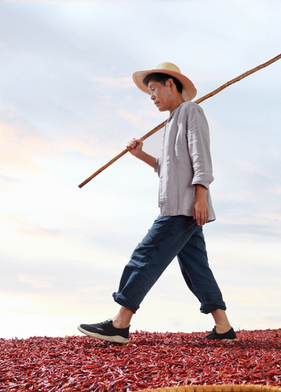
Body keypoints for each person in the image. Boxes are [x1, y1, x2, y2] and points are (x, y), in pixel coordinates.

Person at [78, 62, 236, 344]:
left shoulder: (191, 111)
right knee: (196, 266)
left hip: (183, 207)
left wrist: (201, 196)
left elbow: (201, 158)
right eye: (148, 92)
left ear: (171, 85)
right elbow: (170, 167)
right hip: (179, 206)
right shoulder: (171, 120)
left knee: (146, 255)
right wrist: (141, 155)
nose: (151, 96)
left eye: (153, 89)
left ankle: (120, 323)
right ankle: (223, 328)